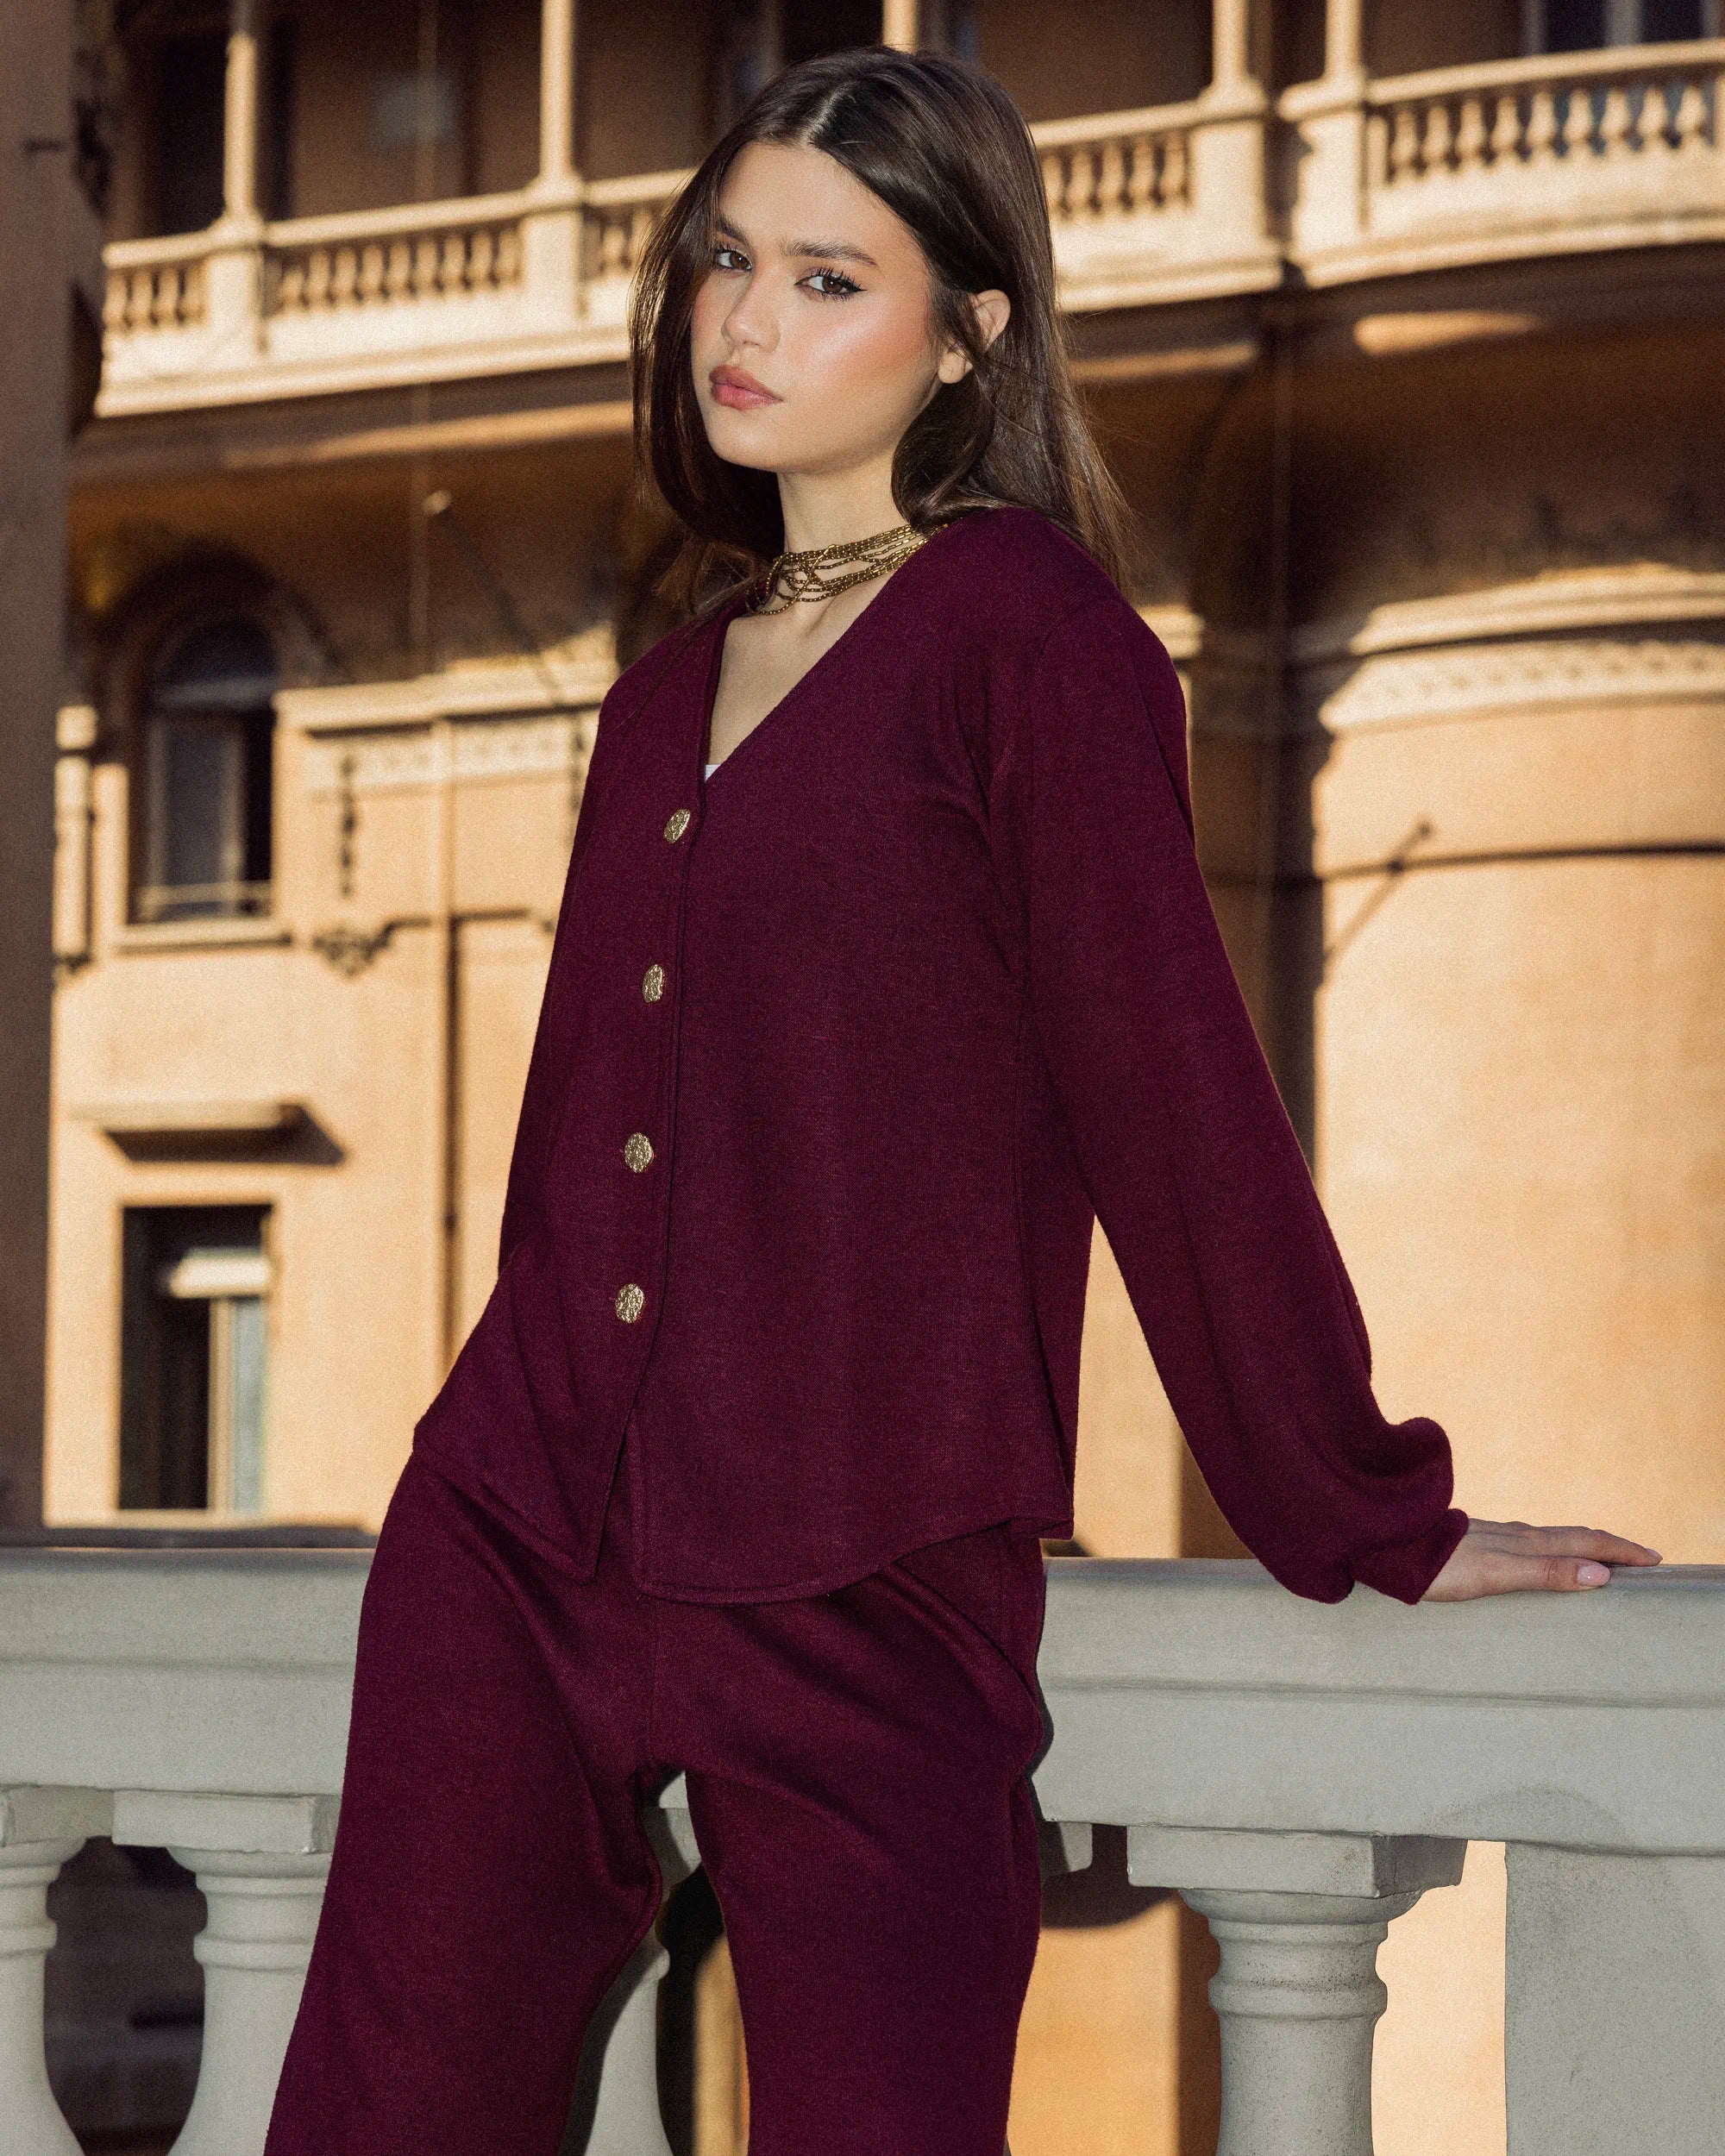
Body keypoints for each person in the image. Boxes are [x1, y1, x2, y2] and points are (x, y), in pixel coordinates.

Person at [261, 45, 1661, 2156]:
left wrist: (1359, 1501)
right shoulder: (659, 695)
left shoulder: (1038, 643)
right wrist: (500, 1439)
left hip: (871, 1562)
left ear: (966, 335)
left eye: (829, 278)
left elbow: (1168, 1093)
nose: (742, 321)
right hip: (518, 1541)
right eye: (725, 258)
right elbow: (590, 1144)